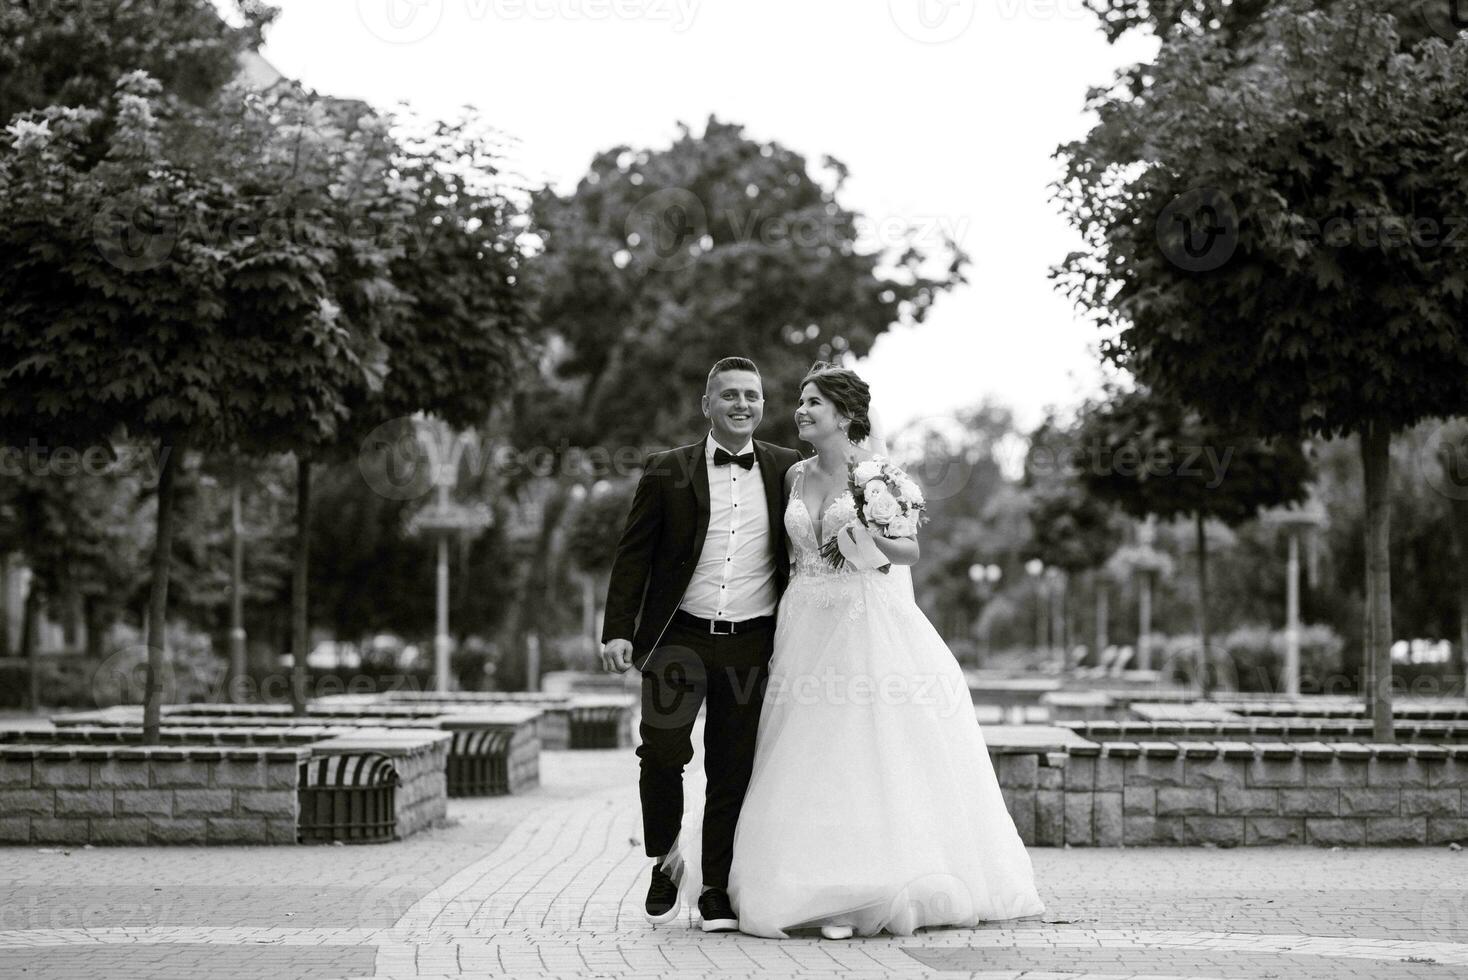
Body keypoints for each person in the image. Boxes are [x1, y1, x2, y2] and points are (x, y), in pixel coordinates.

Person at [660, 362, 1046, 939]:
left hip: (862, 624)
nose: (803, 411)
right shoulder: (792, 477)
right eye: (802, 401)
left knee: (857, 747)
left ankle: (860, 889)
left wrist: (867, 541)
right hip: (799, 626)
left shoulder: (878, 477)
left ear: (845, 415)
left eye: (815, 403)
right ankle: (781, 877)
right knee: (795, 750)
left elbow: (907, 551)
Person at [599, 356, 802, 932]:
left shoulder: (788, 470)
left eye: (753, 396)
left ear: (764, 405)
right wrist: (618, 628)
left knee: (732, 769)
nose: (743, 405)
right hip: (678, 640)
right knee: (661, 755)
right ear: (707, 404)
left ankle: (716, 887)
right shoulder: (666, 470)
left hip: (751, 645)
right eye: (731, 395)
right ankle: (665, 859)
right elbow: (632, 555)